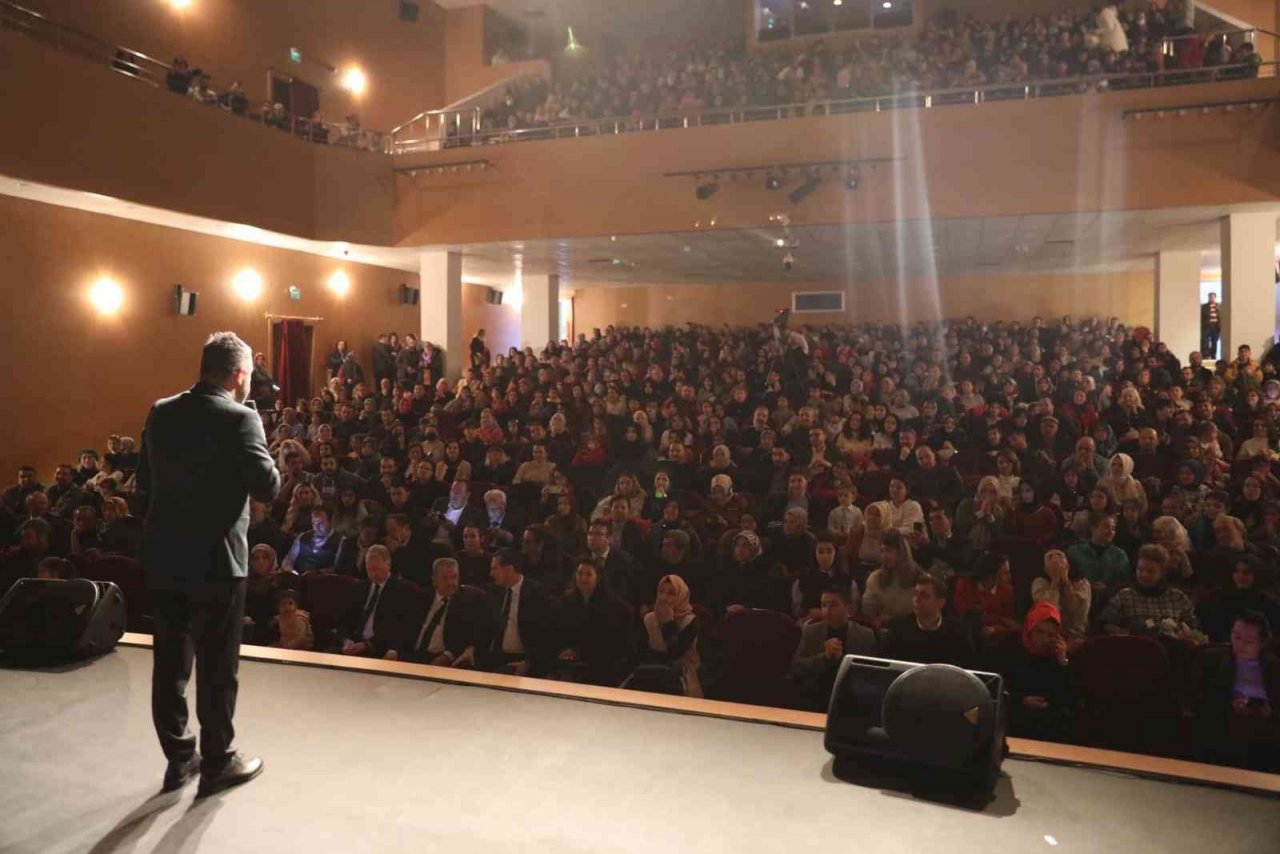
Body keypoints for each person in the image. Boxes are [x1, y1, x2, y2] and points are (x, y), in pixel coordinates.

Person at [136, 332, 280, 797]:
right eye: (250, 376)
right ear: (240, 374)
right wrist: (254, 421)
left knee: (170, 662)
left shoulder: (161, 411)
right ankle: (217, 762)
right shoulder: (240, 418)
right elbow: (268, 486)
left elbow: (145, 484)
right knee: (218, 666)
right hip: (218, 560)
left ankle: (180, 759)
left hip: (165, 554)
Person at [1191, 611, 1280, 770]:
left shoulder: (1274, 668)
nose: (1240, 645)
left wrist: (1270, 711)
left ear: (1263, 642)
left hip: (1266, 734)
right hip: (1223, 728)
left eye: (1249, 641)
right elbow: (1196, 700)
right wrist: (1230, 704)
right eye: (1237, 637)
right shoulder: (1212, 660)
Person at [550, 556, 635, 686]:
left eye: (588, 574)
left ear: (598, 577)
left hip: (601, 666)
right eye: (580, 573)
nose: (583, 578)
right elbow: (559, 632)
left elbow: (608, 642)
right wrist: (565, 650)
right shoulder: (566, 602)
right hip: (570, 664)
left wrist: (578, 653)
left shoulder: (613, 607)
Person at [790, 585, 877, 710]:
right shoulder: (811, 631)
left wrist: (842, 660)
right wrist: (824, 658)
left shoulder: (864, 635)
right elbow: (796, 667)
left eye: (833, 605)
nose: (827, 610)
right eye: (824, 605)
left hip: (851, 697)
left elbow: (870, 674)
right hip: (815, 694)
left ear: (848, 607)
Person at [1002, 601, 1077, 742]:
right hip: (1016, 715)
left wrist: (1062, 662)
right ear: (1030, 629)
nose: (1044, 639)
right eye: (1040, 631)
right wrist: (1023, 701)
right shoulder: (1011, 651)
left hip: (1048, 722)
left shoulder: (1058, 656)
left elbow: (1070, 700)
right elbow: (999, 691)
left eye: (1050, 635)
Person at [392, 557, 486, 667]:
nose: (451, 583)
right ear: (434, 580)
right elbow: (404, 627)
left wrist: (447, 656)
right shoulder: (420, 597)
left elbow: (464, 637)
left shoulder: (466, 602)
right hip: (412, 653)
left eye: (454, 577)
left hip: (440, 656)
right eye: (445, 578)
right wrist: (394, 650)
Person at [1101, 544, 1198, 637]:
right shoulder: (1125, 595)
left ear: (1162, 573)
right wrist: (1123, 632)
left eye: (1150, 571)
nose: (1144, 575)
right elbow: (1104, 623)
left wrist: (1182, 632)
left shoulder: (1177, 597)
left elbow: (1194, 626)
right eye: (1140, 570)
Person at [631, 574, 703, 698]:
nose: (664, 597)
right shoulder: (649, 619)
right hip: (651, 670)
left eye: (670, 593)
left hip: (682, 674)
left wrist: (669, 623)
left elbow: (674, 653)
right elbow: (639, 651)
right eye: (661, 592)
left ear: (681, 596)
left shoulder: (690, 621)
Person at [484, 548, 553, 675]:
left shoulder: (536, 593)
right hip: (492, 655)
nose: (491, 573)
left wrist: (528, 662)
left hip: (522, 658)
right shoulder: (493, 590)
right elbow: (484, 624)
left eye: (495, 568)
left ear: (509, 569)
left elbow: (544, 634)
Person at [881, 574, 975, 666]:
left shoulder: (958, 631)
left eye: (924, 595)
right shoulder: (898, 628)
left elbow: (966, 670)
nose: (916, 599)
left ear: (940, 603)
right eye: (915, 594)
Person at [340, 545, 411, 658]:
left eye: (378, 569)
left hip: (378, 648)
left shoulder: (401, 591)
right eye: (370, 569)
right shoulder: (360, 587)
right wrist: (346, 640)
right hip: (354, 643)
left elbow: (395, 629)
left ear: (388, 565)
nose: (374, 574)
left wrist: (367, 645)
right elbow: (345, 619)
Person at [1030, 549, 1092, 642]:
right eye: (1050, 557)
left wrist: (1066, 583)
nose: (1056, 559)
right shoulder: (1039, 583)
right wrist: (1055, 582)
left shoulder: (1082, 583)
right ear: (1046, 569)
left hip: (1076, 637)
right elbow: (1048, 612)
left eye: (1060, 556)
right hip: (1049, 638)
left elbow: (1077, 612)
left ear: (1068, 565)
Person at [1201, 293, 1221, 359]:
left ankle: (1213, 356)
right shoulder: (1204, 306)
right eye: (1210, 297)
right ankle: (1206, 356)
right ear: (1208, 298)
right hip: (1207, 327)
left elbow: (1221, 317)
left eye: (1213, 297)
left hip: (1216, 327)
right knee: (1205, 342)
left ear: (1215, 298)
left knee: (1214, 342)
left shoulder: (1219, 306)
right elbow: (1202, 317)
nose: (1211, 298)